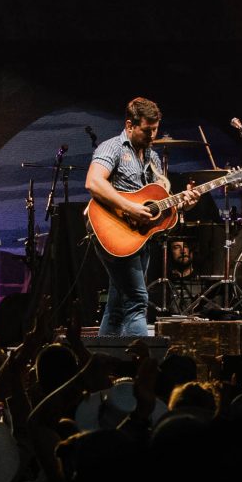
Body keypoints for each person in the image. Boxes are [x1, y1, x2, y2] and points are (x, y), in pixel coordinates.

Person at [85, 97, 169, 338]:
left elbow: (156, 198)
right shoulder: (112, 148)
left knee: (117, 304)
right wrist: (129, 208)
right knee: (136, 300)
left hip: (137, 237)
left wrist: (183, 202)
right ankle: (141, 363)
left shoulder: (152, 158)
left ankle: (103, 361)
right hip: (112, 230)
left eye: (155, 129)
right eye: (147, 130)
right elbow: (93, 181)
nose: (153, 135)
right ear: (130, 125)